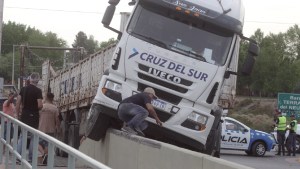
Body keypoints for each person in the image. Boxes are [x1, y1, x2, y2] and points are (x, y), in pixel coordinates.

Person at [15, 72, 43, 162]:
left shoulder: (23, 89)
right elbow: (39, 105)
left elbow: (18, 103)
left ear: (30, 79)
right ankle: (31, 158)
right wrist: (41, 106)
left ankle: (18, 157)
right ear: (37, 80)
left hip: (24, 115)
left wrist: (17, 114)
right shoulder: (38, 91)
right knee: (33, 137)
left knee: (23, 136)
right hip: (34, 115)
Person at [38, 92, 60, 165]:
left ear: (46, 97)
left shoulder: (42, 107)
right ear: (52, 98)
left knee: (37, 143)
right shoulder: (55, 108)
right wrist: (58, 128)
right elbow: (57, 120)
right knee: (48, 145)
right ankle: (46, 157)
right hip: (51, 129)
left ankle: (44, 154)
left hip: (41, 128)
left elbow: (38, 117)